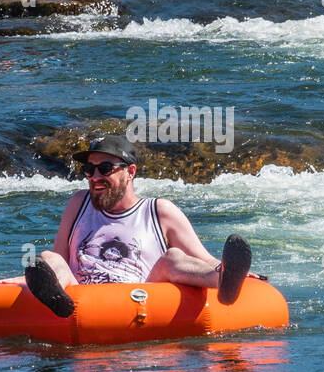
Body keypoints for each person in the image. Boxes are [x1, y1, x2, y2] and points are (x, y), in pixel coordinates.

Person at [19, 135, 254, 318]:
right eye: (89, 170)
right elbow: (56, 262)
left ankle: (223, 280)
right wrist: (9, 283)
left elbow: (203, 258)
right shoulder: (78, 203)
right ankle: (54, 304)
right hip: (80, 299)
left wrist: (234, 271)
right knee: (48, 255)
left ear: (130, 171)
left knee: (172, 258)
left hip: (139, 299)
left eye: (105, 169)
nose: (94, 176)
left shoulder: (159, 211)